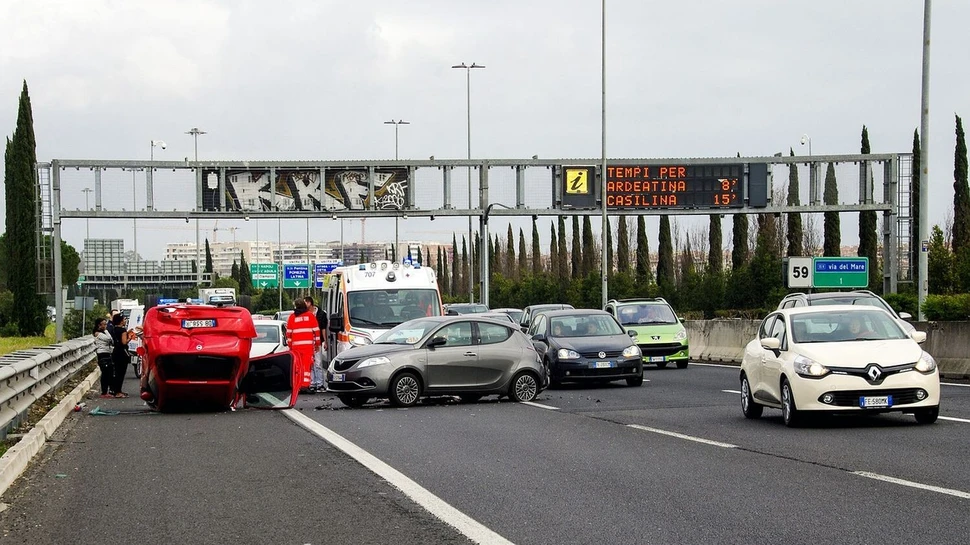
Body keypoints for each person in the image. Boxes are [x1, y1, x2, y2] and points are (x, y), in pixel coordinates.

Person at [286, 299, 320, 394]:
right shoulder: (310, 316)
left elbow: (289, 334)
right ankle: (305, 385)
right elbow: (316, 331)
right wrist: (317, 344)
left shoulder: (292, 317)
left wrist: (290, 346)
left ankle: (298, 385)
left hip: (296, 348)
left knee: (297, 367)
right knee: (306, 367)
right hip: (307, 347)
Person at [304, 296, 328, 393]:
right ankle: (313, 383)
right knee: (311, 363)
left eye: (305, 302)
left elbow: (323, 328)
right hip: (308, 342)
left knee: (318, 363)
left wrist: (325, 341)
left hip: (318, 341)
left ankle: (320, 383)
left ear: (309, 303)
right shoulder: (305, 314)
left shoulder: (321, 314)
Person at [109, 313, 131, 397]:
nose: (125, 321)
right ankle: (118, 392)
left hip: (115, 352)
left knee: (116, 372)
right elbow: (124, 342)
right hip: (122, 353)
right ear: (121, 321)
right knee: (121, 373)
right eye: (124, 319)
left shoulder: (113, 329)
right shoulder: (122, 330)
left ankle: (115, 390)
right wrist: (129, 338)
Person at [93, 318, 115, 398]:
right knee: (105, 374)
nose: (105, 326)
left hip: (107, 353)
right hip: (102, 354)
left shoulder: (103, 333)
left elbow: (111, 340)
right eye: (104, 324)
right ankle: (104, 392)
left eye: (106, 324)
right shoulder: (98, 334)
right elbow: (109, 339)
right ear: (99, 325)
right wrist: (106, 330)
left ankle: (108, 390)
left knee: (109, 373)